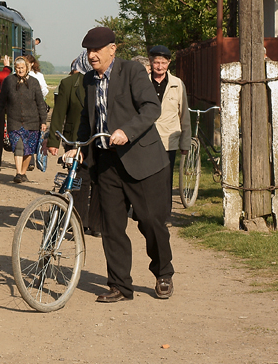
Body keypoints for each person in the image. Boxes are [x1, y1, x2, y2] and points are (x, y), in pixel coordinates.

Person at [70, 26, 174, 303]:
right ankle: (119, 286)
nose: (92, 56)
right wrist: (79, 148)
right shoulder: (89, 80)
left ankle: (163, 271)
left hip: (141, 160)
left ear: (112, 49)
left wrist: (127, 131)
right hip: (106, 163)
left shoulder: (132, 71)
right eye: (88, 51)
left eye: (97, 50)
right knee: (112, 227)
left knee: (151, 222)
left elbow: (151, 107)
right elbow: (86, 119)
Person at [48, 51, 101, 235]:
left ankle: (96, 224)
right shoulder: (68, 84)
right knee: (80, 180)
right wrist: (53, 140)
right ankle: (78, 222)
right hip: (76, 139)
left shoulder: (101, 81)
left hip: (98, 138)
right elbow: (59, 113)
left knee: (98, 180)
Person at [0, 57, 48, 184]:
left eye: (22, 68)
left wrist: (43, 121)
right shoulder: (9, 81)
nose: (20, 70)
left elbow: (40, 103)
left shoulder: (33, 82)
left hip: (32, 121)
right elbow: (1, 101)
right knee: (18, 146)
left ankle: (23, 172)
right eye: (17, 68)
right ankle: (18, 173)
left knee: (29, 149)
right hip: (14, 120)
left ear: (27, 68)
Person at [148, 45, 191, 214]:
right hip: (146, 138)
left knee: (165, 178)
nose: (159, 66)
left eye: (163, 63)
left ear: (169, 63)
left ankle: (165, 213)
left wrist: (185, 142)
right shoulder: (142, 82)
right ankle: (146, 211)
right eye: (156, 62)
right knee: (147, 177)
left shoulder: (177, 84)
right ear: (151, 62)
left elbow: (184, 115)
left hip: (169, 139)